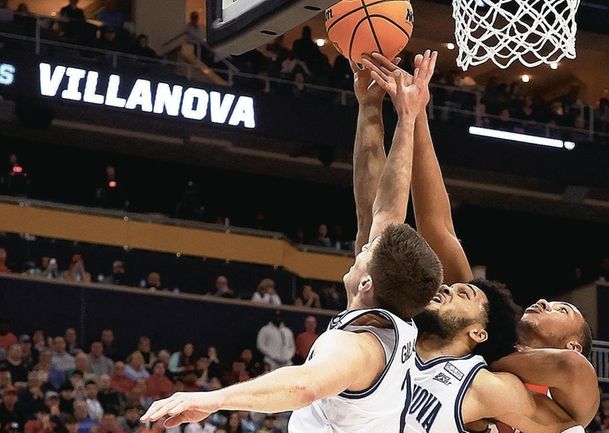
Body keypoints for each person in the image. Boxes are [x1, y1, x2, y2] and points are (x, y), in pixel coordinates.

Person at [140, 51, 442, 433]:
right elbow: (381, 209)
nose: (363, 245)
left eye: (367, 251)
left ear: (369, 283)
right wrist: (383, 111)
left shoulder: (360, 348)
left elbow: (303, 385)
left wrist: (209, 399)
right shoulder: (394, 310)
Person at [358, 52, 599, 433]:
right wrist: (417, 112)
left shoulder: (565, 404)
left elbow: (570, 368)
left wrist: (486, 356)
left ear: (572, 343)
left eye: (560, 310)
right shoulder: (472, 325)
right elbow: (439, 228)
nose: (542, 301)